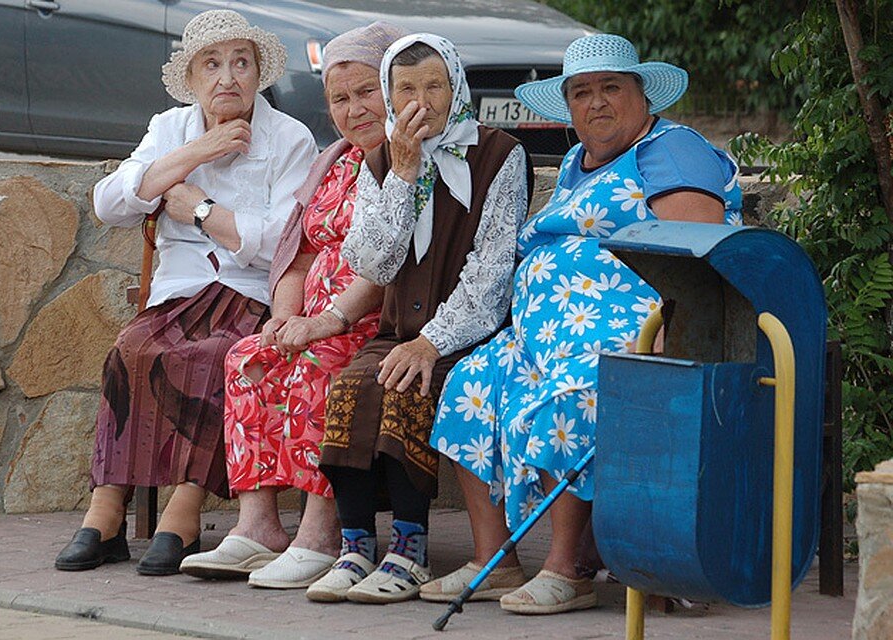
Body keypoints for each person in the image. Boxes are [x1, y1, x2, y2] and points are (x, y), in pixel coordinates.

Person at [427, 33, 742, 614]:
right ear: (568, 107)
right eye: (581, 93)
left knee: (568, 398)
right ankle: (494, 560)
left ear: (642, 95)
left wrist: (670, 332)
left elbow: (699, 259)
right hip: (544, 337)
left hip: (630, 335)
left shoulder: (673, 152)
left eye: (610, 88)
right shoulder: (577, 161)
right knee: (470, 383)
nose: (596, 102)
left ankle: (567, 568)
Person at [54, 9, 316, 576]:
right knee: (130, 349)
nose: (228, 77)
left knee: (217, 355)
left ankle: (184, 513)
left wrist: (199, 209)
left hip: (249, 292)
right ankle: (105, 512)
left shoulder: (290, 138)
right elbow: (109, 204)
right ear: (192, 79)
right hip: (179, 292)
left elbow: (283, 242)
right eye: (212, 65)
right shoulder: (170, 128)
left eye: (241, 63)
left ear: (258, 74)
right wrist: (199, 151)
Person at [178, 21, 407, 588]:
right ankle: (259, 527)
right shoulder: (337, 160)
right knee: (249, 357)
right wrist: (284, 316)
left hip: (372, 320)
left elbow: (393, 263)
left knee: (316, 366)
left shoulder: (407, 164)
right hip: (314, 317)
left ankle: (321, 531)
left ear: (394, 89)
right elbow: (299, 257)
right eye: (340, 99)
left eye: (367, 92)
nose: (354, 109)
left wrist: (325, 322)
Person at [308, 33, 532, 604]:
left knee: (408, 385)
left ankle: (410, 552)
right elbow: (372, 262)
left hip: (469, 333)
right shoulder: (382, 158)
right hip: (397, 331)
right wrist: (403, 175)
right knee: (352, 386)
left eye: (435, 86)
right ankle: (357, 547)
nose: (421, 102)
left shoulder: (500, 154)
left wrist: (432, 343)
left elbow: (492, 274)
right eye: (406, 89)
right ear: (390, 95)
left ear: (456, 88)